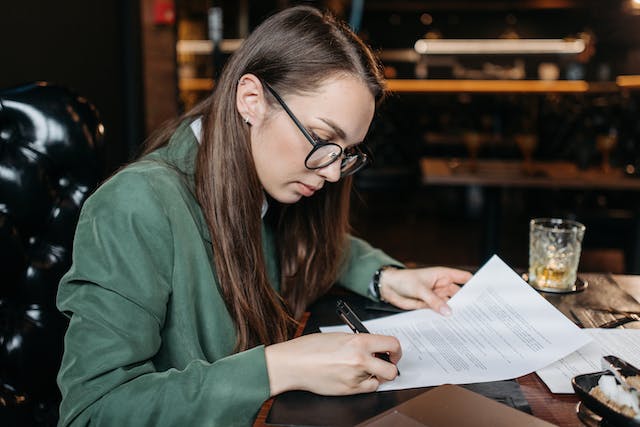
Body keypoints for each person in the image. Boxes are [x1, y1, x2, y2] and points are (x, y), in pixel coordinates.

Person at [56, 5, 472, 426]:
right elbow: (93, 412)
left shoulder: (266, 180)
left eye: (346, 153)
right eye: (323, 138)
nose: (331, 172)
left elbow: (314, 242)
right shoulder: (134, 206)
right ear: (251, 100)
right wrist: (278, 367)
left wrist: (384, 276)